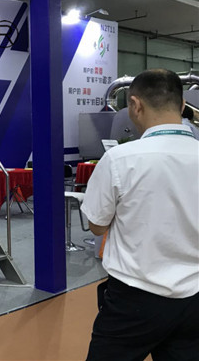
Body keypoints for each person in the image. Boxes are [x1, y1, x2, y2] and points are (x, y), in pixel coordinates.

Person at [81, 69, 199, 360]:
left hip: (133, 299)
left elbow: (97, 226)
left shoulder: (120, 159)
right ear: (183, 105)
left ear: (135, 105)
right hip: (194, 298)